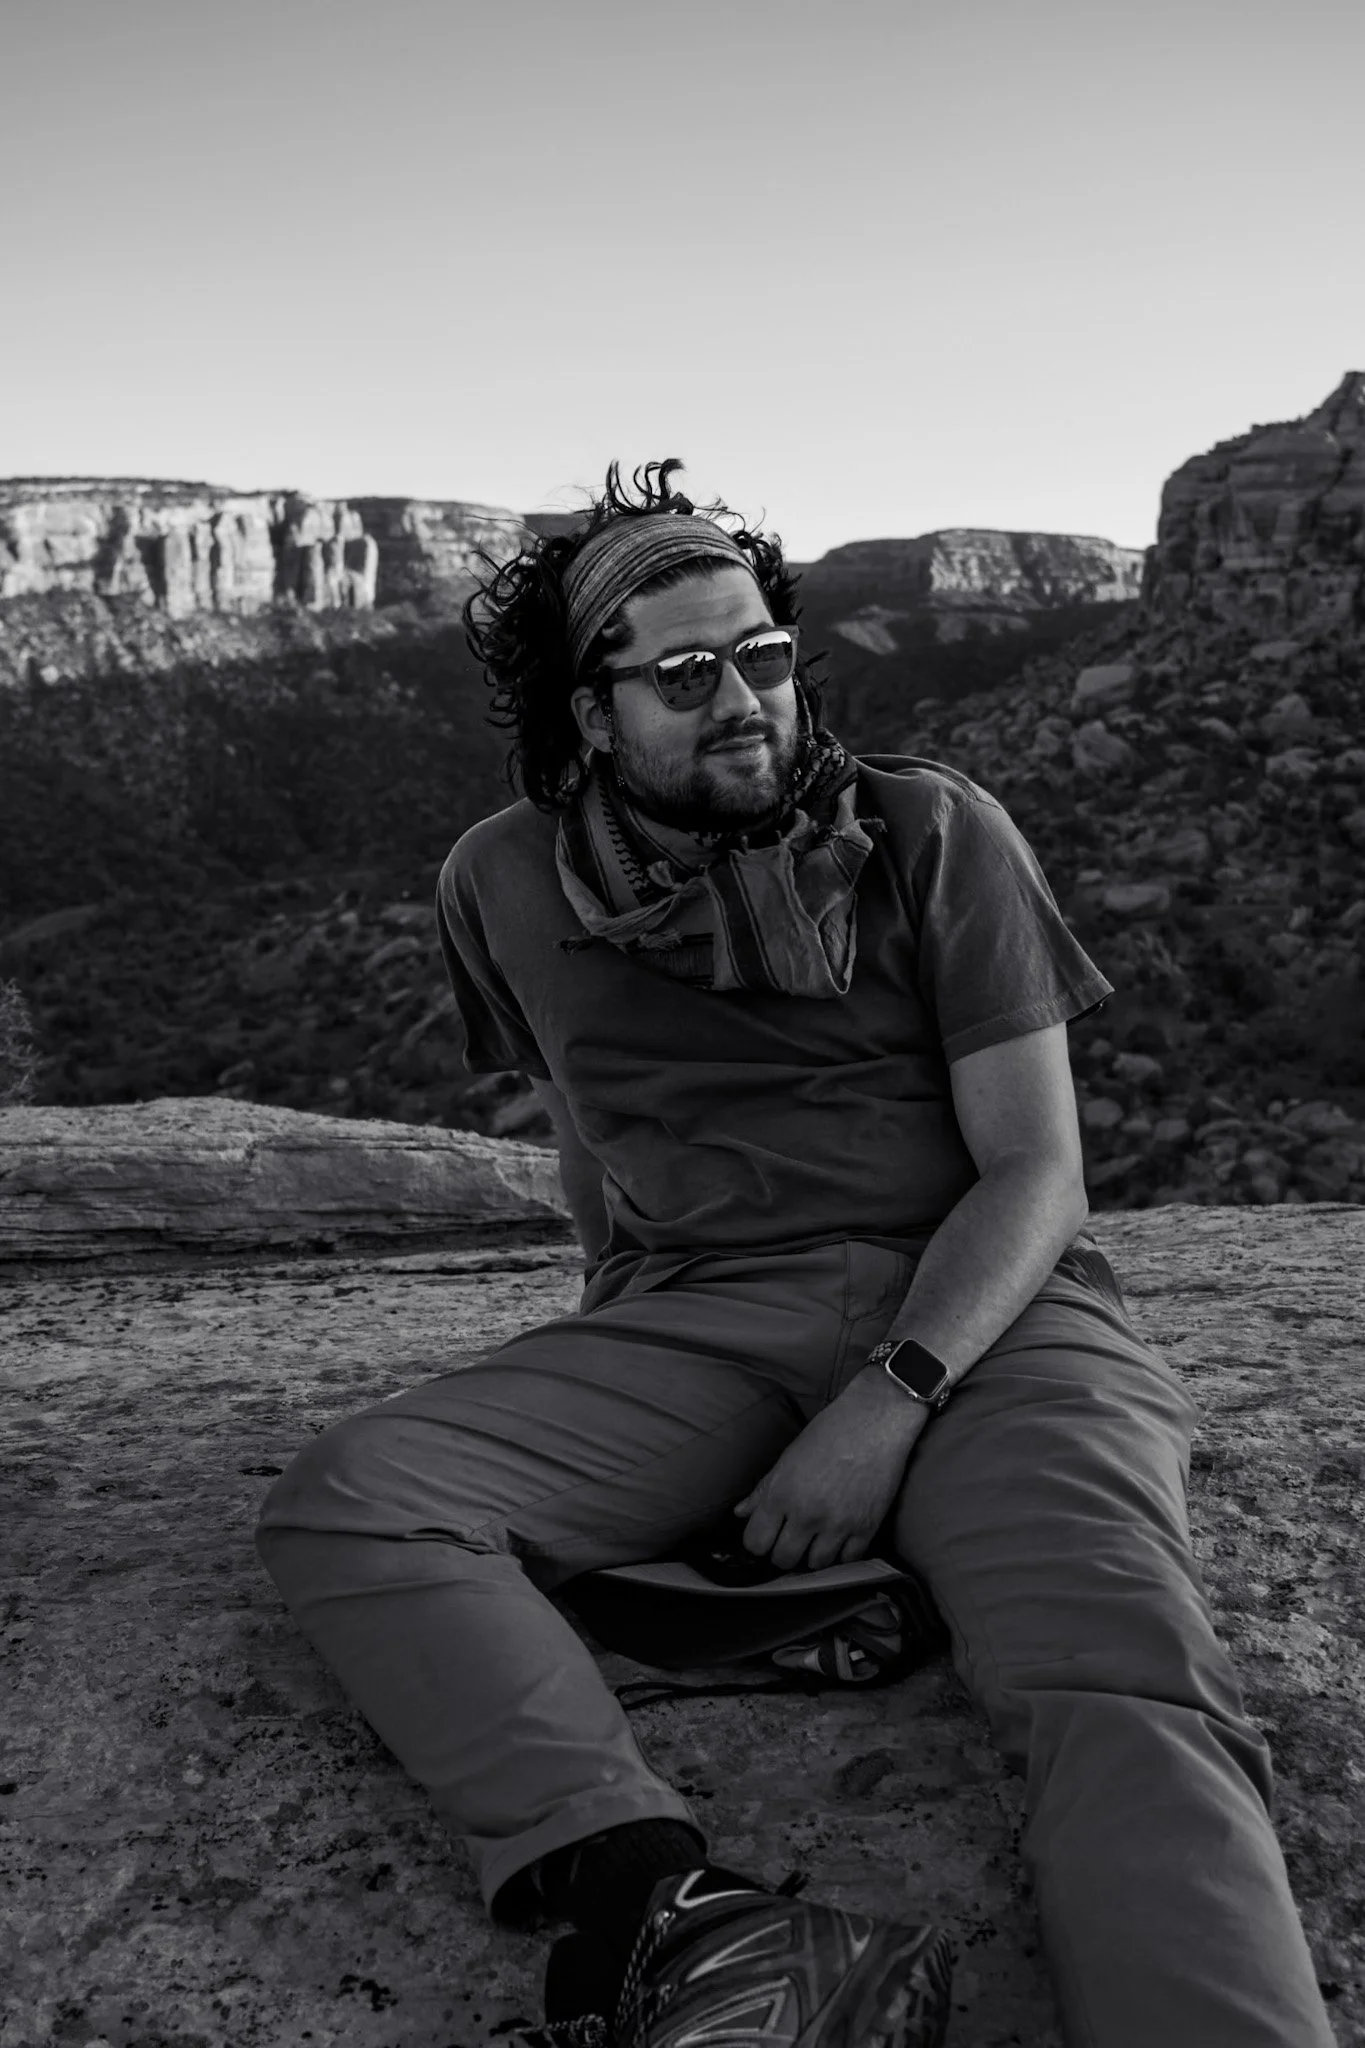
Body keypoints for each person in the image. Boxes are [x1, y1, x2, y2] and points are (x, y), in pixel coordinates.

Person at [256, 460, 1335, 2048]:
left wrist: (888, 1402)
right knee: (358, 1502)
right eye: (685, 675)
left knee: (1118, 1674)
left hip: (989, 1316)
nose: (744, 699)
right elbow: (588, 1117)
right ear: (588, 714)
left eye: (761, 654)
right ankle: (666, 1914)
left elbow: (1038, 1171)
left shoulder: (933, 830)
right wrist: (610, 1341)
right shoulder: (499, 878)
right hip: (706, 1319)